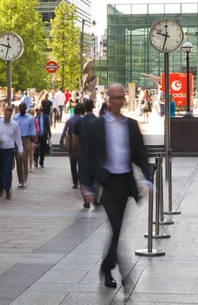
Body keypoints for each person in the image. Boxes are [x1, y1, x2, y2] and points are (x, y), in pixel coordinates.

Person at [80, 84, 151, 288]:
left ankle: (106, 266)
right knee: (117, 227)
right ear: (108, 100)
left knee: (117, 230)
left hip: (125, 184)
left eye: (122, 97)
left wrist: (148, 180)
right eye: (116, 97)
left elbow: (141, 154)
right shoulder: (97, 126)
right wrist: (85, 186)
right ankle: (121, 268)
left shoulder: (131, 125)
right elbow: (87, 157)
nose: (119, 101)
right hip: (108, 184)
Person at [0, 106, 23, 199]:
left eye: (9, 115)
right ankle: (1, 188)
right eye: (6, 114)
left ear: (11, 114)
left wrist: (20, 148)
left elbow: (17, 137)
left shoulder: (14, 124)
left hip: (9, 150)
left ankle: (8, 190)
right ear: (3, 113)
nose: (7, 116)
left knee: (7, 170)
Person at [72, 99, 98, 208]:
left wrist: (74, 151)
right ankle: (95, 196)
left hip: (83, 153)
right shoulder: (98, 121)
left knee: (83, 177)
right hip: (95, 154)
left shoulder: (79, 121)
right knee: (95, 176)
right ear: (93, 106)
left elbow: (75, 139)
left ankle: (86, 200)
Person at [61, 103, 84, 189]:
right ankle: (81, 180)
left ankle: (75, 182)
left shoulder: (69, 120)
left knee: (73, 162)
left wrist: (61, 141)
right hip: (81, 142)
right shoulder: (82, 120)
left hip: (71, 142)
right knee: (81, 163)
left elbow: (64, 132)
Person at [13, 103, 35, 188]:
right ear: (19, 108)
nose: (22, 108)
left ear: (25, 108)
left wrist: (32, 142)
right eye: (20, 107)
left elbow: (33, 130)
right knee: (18, 160)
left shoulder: (30, 118)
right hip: (16, 139)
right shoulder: (15, 117)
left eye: (23, 107)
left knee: (24, 159)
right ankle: (20, 181)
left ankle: (25, 178)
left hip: (26, 138)